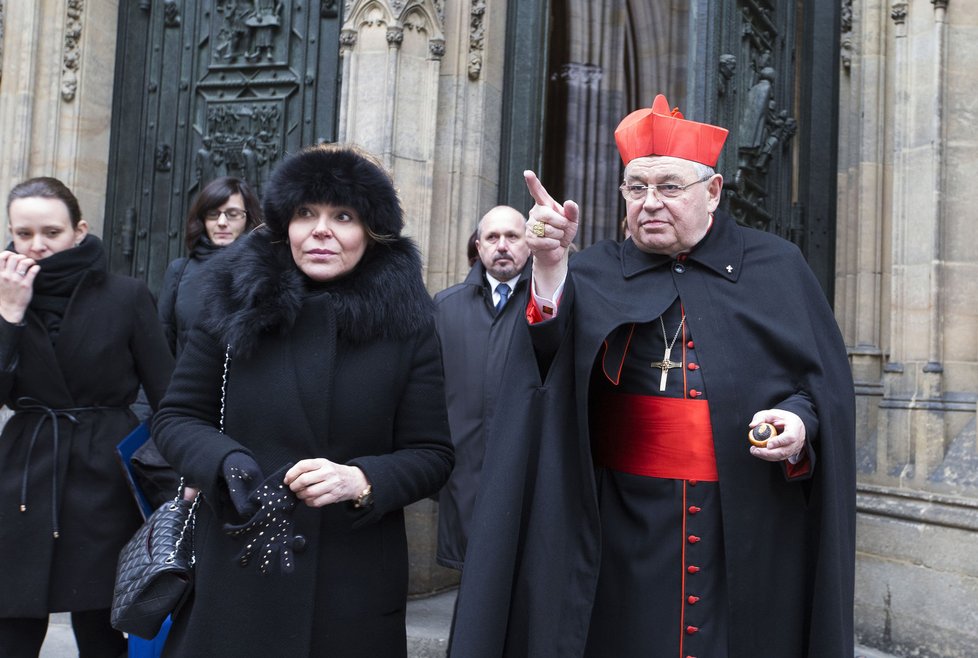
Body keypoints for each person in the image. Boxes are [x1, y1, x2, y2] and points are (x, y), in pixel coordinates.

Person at [450, 95, 856, 657]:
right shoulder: (592, 270)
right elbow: (544, 367)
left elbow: (820, 390)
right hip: (619, 528)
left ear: (712, 192)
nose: (649, 203)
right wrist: (547, 268)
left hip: (743, 524)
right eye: (636, 188)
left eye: (668, 187)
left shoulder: (777, 266)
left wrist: (798, 422)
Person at [152, 144, 454, 657]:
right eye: (305, 213)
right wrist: (225, 461)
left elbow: (432, 454)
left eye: (343, 215)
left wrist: (361, 480)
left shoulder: (409, 324)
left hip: (351, 582)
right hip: (237, 566)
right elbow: (177, 417)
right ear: (283, 224)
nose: (321, 230)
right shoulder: (232, 300)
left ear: (372, 232)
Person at [0, 177, 174, 657]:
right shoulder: (3, 295)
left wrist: (186, 472)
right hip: (23, 473)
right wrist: (9, 316)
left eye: (51, 232)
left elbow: (169, 394)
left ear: (79, 230)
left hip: (103, 474)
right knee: (12, 619)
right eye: (24, 233)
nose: (38, 246)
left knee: (100, 622)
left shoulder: (126, 295)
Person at [434, 206, 531, 572]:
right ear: (478, 245)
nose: (502, 246)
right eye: (492, 237)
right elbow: (429, 394)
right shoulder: (446, 307)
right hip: (464, 472)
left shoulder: (551, 304)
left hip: (526, 468)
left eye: (512, 236)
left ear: (529, 243)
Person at [158, 176, 262, 358]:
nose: (222, 222)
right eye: (213, 214)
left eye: (233, 214)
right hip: (188, 383)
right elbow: (163, 342)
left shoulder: (262, 273)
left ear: (248, 218)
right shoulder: (179, 271)